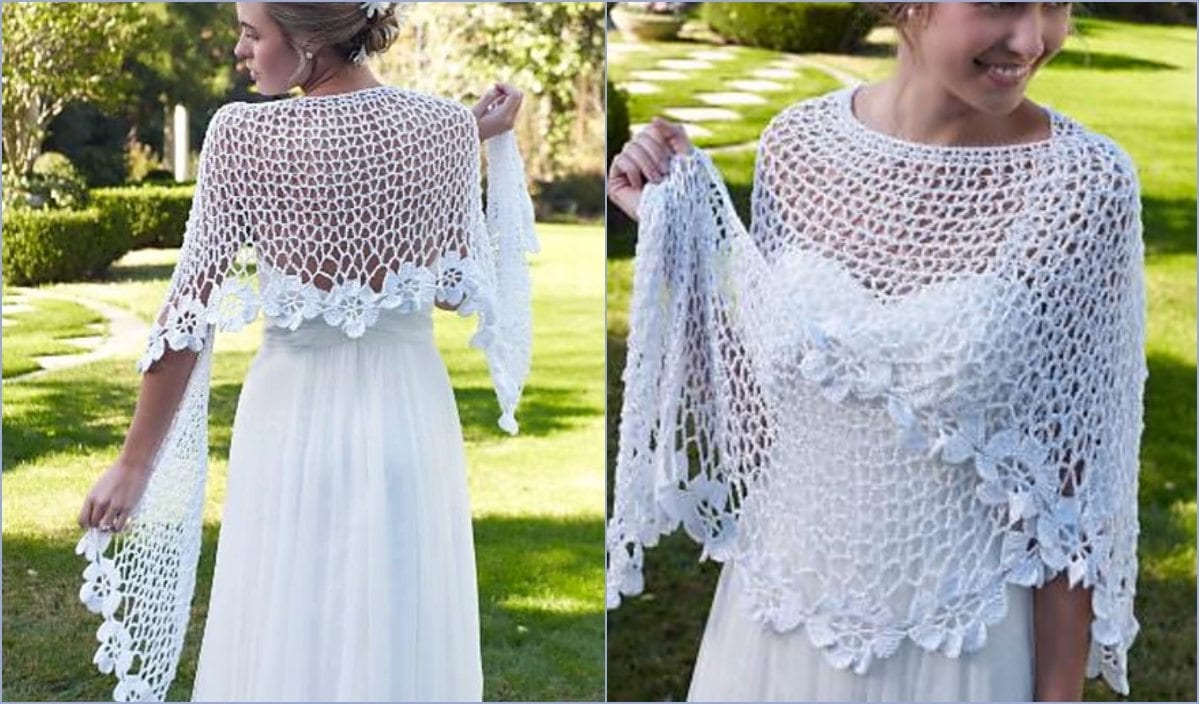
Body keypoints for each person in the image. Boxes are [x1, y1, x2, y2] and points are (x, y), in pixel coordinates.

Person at [607, 2, 1145, 701]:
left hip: (959, 647)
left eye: (1057, 4)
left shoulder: (1085, 188)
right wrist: (674, 240)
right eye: (1002, 3)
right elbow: (764, 419)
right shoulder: (796, 147)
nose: (1033, 38)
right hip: (774, 624)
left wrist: (1056, 695)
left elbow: (1072, 501)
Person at [75, 2, 538, 700]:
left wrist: (134, 464)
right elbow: (448, 292)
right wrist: (463, 137)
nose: (238, 50)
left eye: (251, 33)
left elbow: (187, 312)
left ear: (311, 43)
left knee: (286, 629)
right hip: (406, 415)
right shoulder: (444, 128)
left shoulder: (241, 134)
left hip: (290, 422)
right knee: (395, 630)